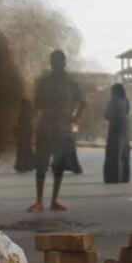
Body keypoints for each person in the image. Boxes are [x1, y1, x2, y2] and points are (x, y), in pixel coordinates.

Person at [30, 49, 84, 212]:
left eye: (59, 62)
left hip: (63, 131)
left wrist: (75, 118)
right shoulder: (44, 83)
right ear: (51, 64)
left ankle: (54, 200)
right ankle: (39, 201)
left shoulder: (72, 84)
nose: (57, 65)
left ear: (64, 63)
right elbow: (36, 104)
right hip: (45, 129)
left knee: (58, 167)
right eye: (54, 62)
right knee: (41, 165)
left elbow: (83, 102)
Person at [103, 83, 131, 184]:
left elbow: (106, 115)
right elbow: (128, 113)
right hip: (125, 127)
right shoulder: (126, 101)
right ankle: (124, 177)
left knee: (113, 152)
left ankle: (113, 177)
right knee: (124, 151)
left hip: (115, 127)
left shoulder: (112, 101)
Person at [13, 98, 36, 172]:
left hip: (23, 134)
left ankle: (23, 165)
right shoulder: (28, 113)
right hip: (26, 134)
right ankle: (29, 165)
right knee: (26, 150)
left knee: (22, 150)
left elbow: (23, 125)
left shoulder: (23, 112)